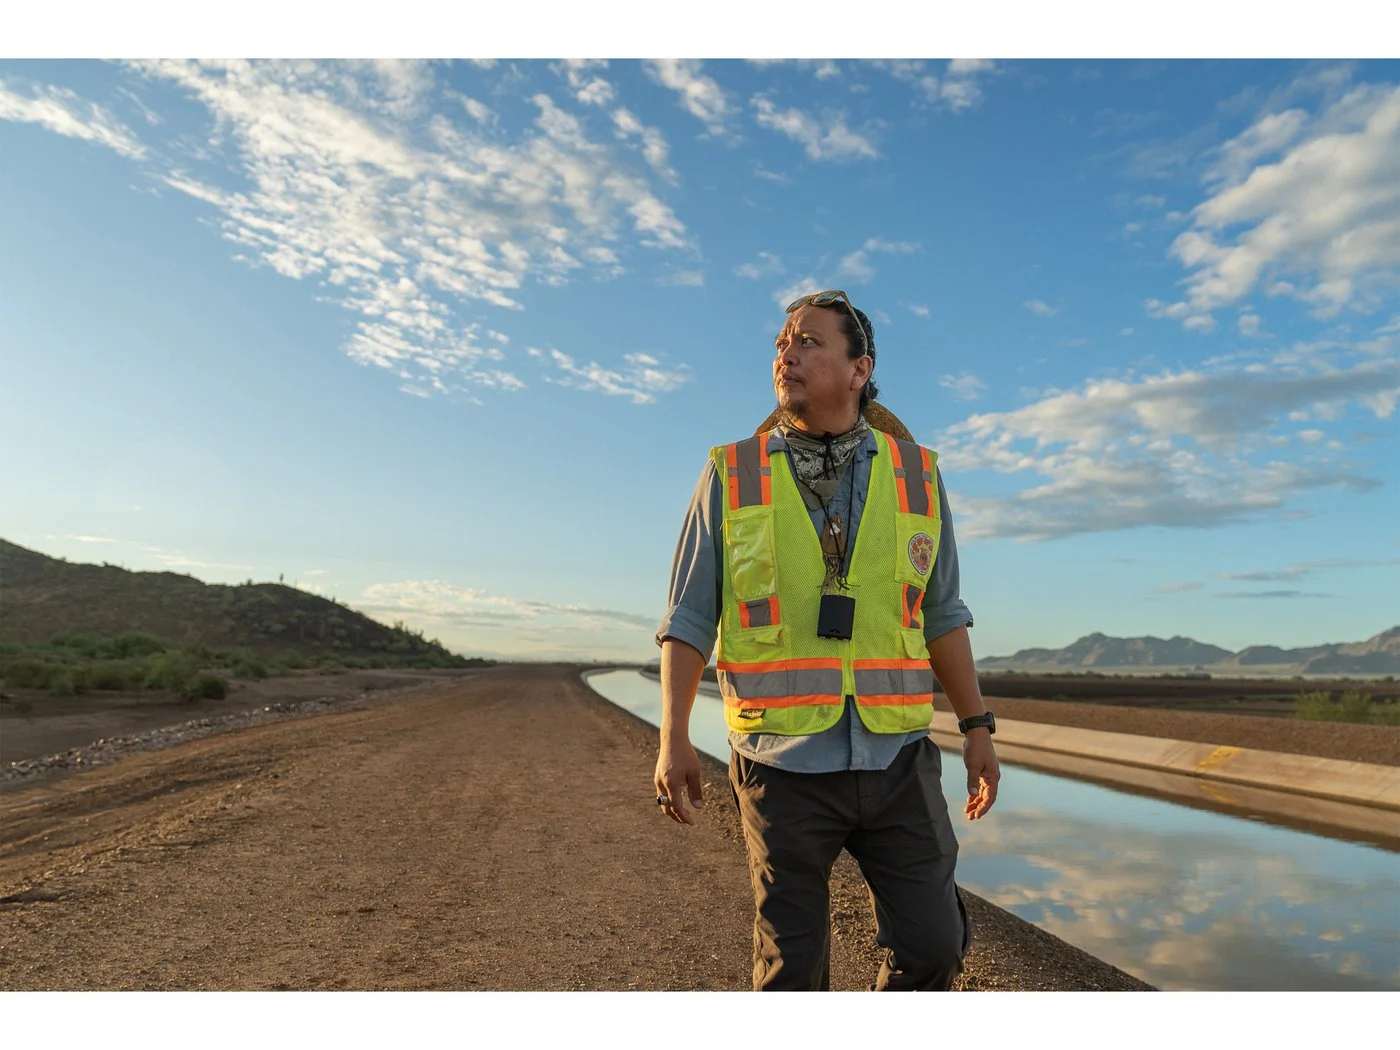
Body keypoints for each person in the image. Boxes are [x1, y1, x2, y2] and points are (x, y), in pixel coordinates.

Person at [653, 289, 1000, 992]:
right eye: (783, 342)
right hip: (780, 765)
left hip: (900, 759)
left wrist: (977, 727)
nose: (787, 352)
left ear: (858, 369)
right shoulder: (731, 473)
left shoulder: (918, 477)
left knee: (935, 948)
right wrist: (673, 734)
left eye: (809, 341)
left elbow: (942, 615)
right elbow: (689, 616)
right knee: (792, 978)